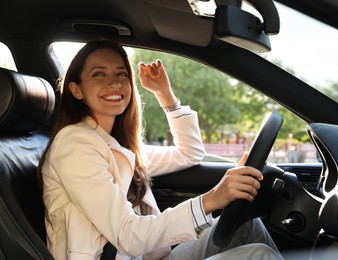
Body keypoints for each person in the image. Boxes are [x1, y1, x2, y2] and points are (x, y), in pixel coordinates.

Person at [37, 39, 283, 260]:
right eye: (98, 74)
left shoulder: (116, 145)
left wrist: (164, 94)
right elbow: (127, 235)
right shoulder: (75, 145)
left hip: (146, 257)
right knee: (259, 255)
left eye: (122, 74)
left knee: (249, 226)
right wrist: (213, 199)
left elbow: (189, 153)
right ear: (76, 90)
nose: (114, 82)